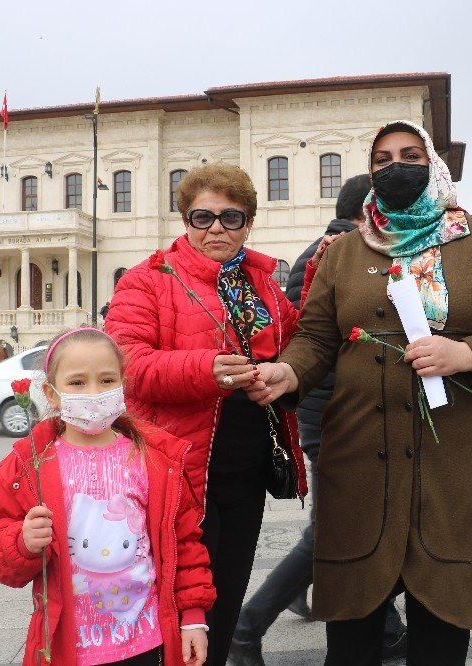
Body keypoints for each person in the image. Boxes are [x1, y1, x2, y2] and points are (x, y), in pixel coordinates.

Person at [247, 120, 472, 665]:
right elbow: (316, 337)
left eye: (409, 154)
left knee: (441, 629)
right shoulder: (344, 251)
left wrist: (469, 354)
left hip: (456, 457)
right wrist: (288, 373)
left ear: (432, 162)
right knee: (353, 629)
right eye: (382, 159)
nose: (396, 166)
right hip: (363, 456)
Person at [105, 163, 309, 666]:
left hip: (246, 468)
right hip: (180, 471)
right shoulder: (147, 280)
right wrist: (204, 371)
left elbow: (301, 340)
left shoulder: (263, 282)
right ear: (186, 220)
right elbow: (124, 364)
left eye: (230, 216)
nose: (216, 227)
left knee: (225, 598)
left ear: (248, 222)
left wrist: (285, 372)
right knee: (180, 604)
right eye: (203, 216)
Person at [229, 174, 407, 666]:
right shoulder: (333, 253)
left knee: (350, 524)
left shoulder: (340, 248)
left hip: (340, 414)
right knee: (330, 533)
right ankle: (246, 629)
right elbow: (314, 341)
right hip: (334, 417)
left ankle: (377, 624)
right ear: (365, 212)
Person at [0, 327, 215, 666]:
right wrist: (24, 543)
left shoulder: (151, 459)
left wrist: (193, 615)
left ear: (123, 384)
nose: (93, 392)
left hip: (147, 640)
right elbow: (1, 560)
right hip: (71, 646)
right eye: (77, 383)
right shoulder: (28, 467)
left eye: (107, 381)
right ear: (52, 394)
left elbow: (184, 542)